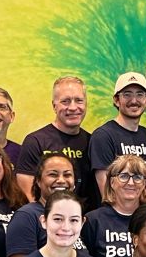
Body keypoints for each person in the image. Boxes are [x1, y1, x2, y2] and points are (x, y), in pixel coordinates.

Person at [17, 77, 94, 208]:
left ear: (86, 104)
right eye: (65, 101)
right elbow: (28, 195)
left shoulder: (92, 142)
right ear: (54, 106)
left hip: (84, 222)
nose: (73, 107)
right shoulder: (35, 142)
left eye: (79, 100)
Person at [7, 153, 81, 257]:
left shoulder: (76, 216)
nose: (61, 180)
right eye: (53, 174)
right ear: (38, 181)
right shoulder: (26, 216)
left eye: (67, 175)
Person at [90, 72, 146, 194]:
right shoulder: (103, 136)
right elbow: (106, 191)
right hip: (116, 212)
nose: (134, 100)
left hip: (145, 212)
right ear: (116, 100)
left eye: (140, 94)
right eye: (127, 95)